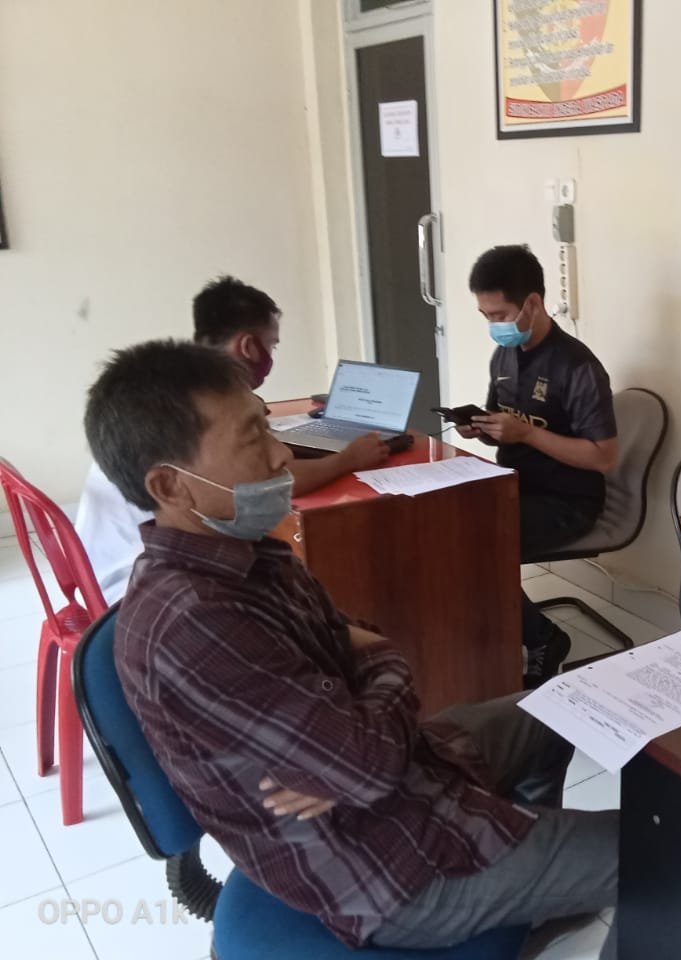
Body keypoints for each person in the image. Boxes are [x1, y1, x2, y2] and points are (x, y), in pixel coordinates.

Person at [85, 340, 618, 953]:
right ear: (170, 485)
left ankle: (538, 890)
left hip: (413, 773)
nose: (281, 454)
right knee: (672, 856)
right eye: (252, 438)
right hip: (383, 868)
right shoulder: (195, 623)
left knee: (563, 704)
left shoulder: (250, 553)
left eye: (267, 426)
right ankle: (548, 880)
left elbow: (356, 684)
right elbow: (368, 752)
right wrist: (382, 658)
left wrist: (357, 713)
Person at [74, 276, 389, 603]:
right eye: (272, 344)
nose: (280, 455)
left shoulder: (172, 394)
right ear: (248, 346)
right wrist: (347, 459)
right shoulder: (197, 609)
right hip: (124, 588)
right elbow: (271, 479)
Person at [461, 246, 618, 687]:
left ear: (532, 303)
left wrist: (527, 434)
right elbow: (504, 425)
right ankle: (486, 624)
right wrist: (481, 428)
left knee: (474, 544)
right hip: (512, 485)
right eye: (485, 316)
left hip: (567, 500)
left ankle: (544, 638)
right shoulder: (503, 357)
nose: (493, 326)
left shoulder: (578, 367)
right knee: (443, 520)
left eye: (499, 315)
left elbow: (604, 457)